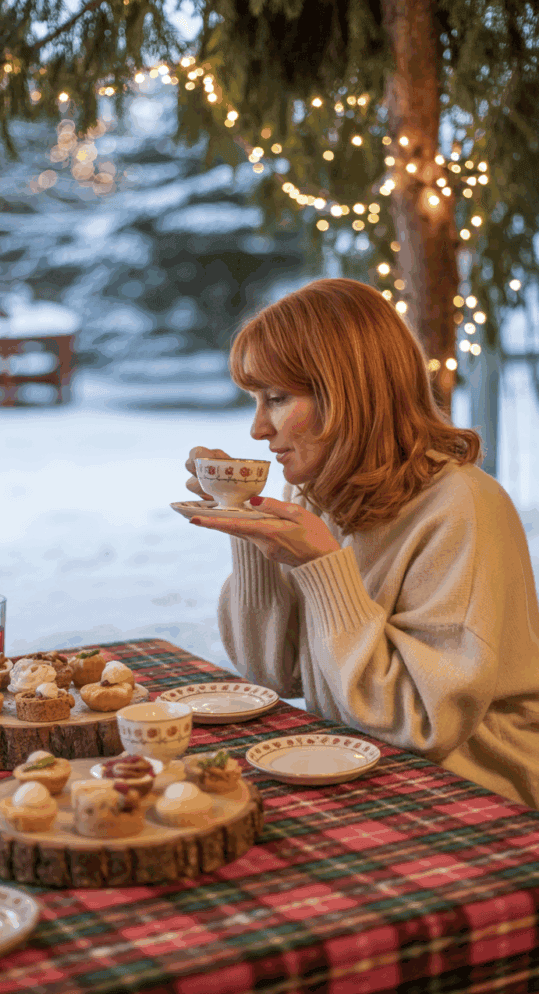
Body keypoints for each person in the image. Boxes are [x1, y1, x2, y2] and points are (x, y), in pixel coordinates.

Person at [185, 278, 539, 809]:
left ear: (346, 394)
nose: (258, 428)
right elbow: (273, 674)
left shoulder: (461, 506)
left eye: (277, 399)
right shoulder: (319, 491)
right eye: (256, 401)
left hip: (470, 794)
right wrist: (250, 533)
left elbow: (422, 723)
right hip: (356, 760)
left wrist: (323, 565)